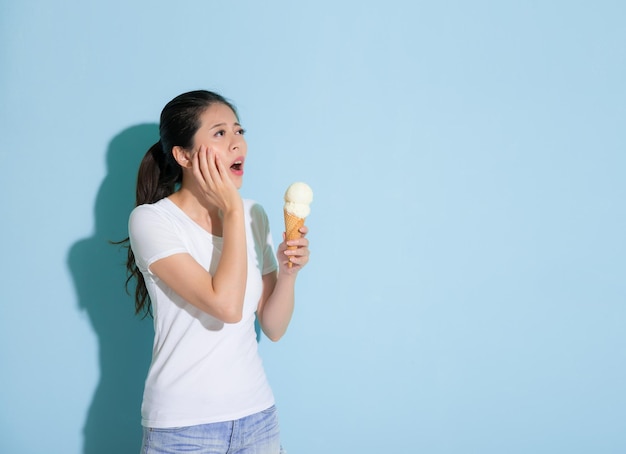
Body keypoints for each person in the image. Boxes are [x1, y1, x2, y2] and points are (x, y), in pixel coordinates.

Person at [122, 90, 309, 453]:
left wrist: (289, 273)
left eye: (239, 131)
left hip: (257, 417)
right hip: (182, 427)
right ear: (184, 155)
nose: (237, 144)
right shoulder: (152, 221)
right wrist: (232, 211)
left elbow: (273, 327)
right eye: (220, 134)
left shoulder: (254, 215)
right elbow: (224, 305)